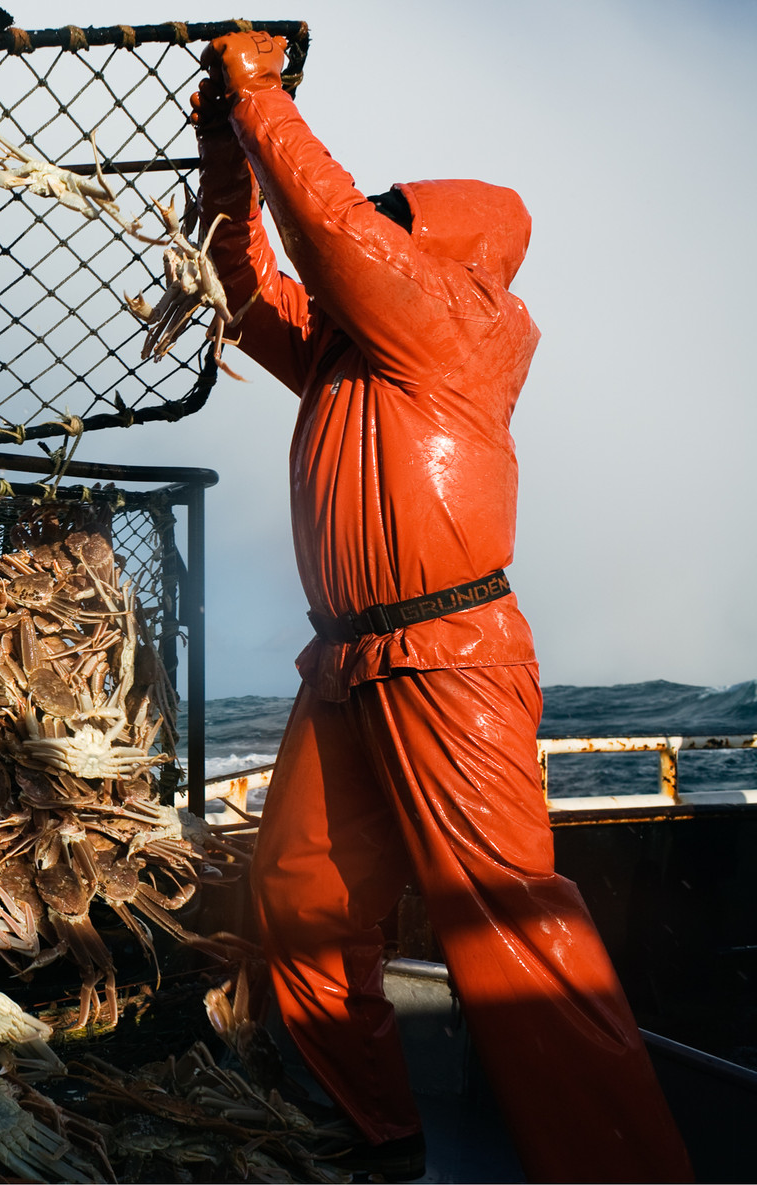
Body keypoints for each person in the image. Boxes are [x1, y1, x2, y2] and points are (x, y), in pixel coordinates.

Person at [190, 30, 692, 1182]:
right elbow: (243, 278)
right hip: (346, 670)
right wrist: (223, 141)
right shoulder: (345, 354)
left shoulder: (466, 326)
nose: (368, 227)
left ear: (451, 254)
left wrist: (262, 99)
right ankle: (376, 1139)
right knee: (300, 905)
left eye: (393, 221)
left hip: (450, 660)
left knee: (508, 932)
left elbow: (327, 235)